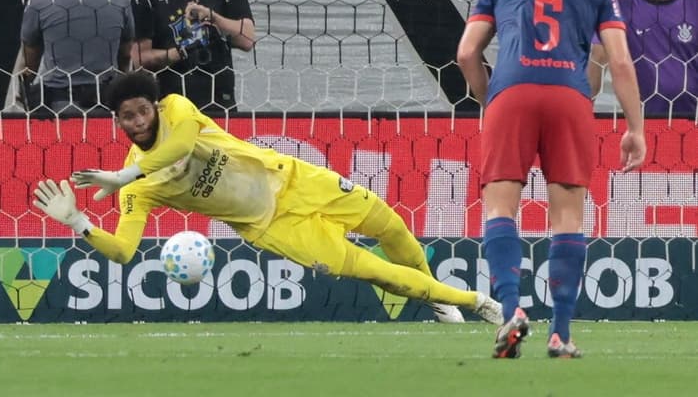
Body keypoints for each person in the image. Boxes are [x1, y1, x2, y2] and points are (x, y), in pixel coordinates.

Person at [32, 70, 505, 325]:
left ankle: (436, 299)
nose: (136, 122)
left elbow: (175, 148)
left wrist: (122, 172)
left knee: (391, 227)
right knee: (373, 270)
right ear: (117, 123)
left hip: (294, 179)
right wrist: (78, 222)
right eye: (125, 118)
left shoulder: (176, 110)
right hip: (272, 226)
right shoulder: (135, 191)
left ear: (153, 107)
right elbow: (123, 251)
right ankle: (472, 301)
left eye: (140, 111)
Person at [457, 0, 646, 358]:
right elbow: (619, 62)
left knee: (501, 205)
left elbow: (467, 52)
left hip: (511, 93)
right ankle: (560, 334)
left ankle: (510, 312)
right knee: (567, 217)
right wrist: (635, 128)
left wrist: (491, 101)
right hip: (569, 96)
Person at [589, 0, 698, 117]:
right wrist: (584, 113)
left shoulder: (694, 4)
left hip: (692, 120)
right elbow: (596, 59)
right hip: (640, 121)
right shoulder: (618, 5)